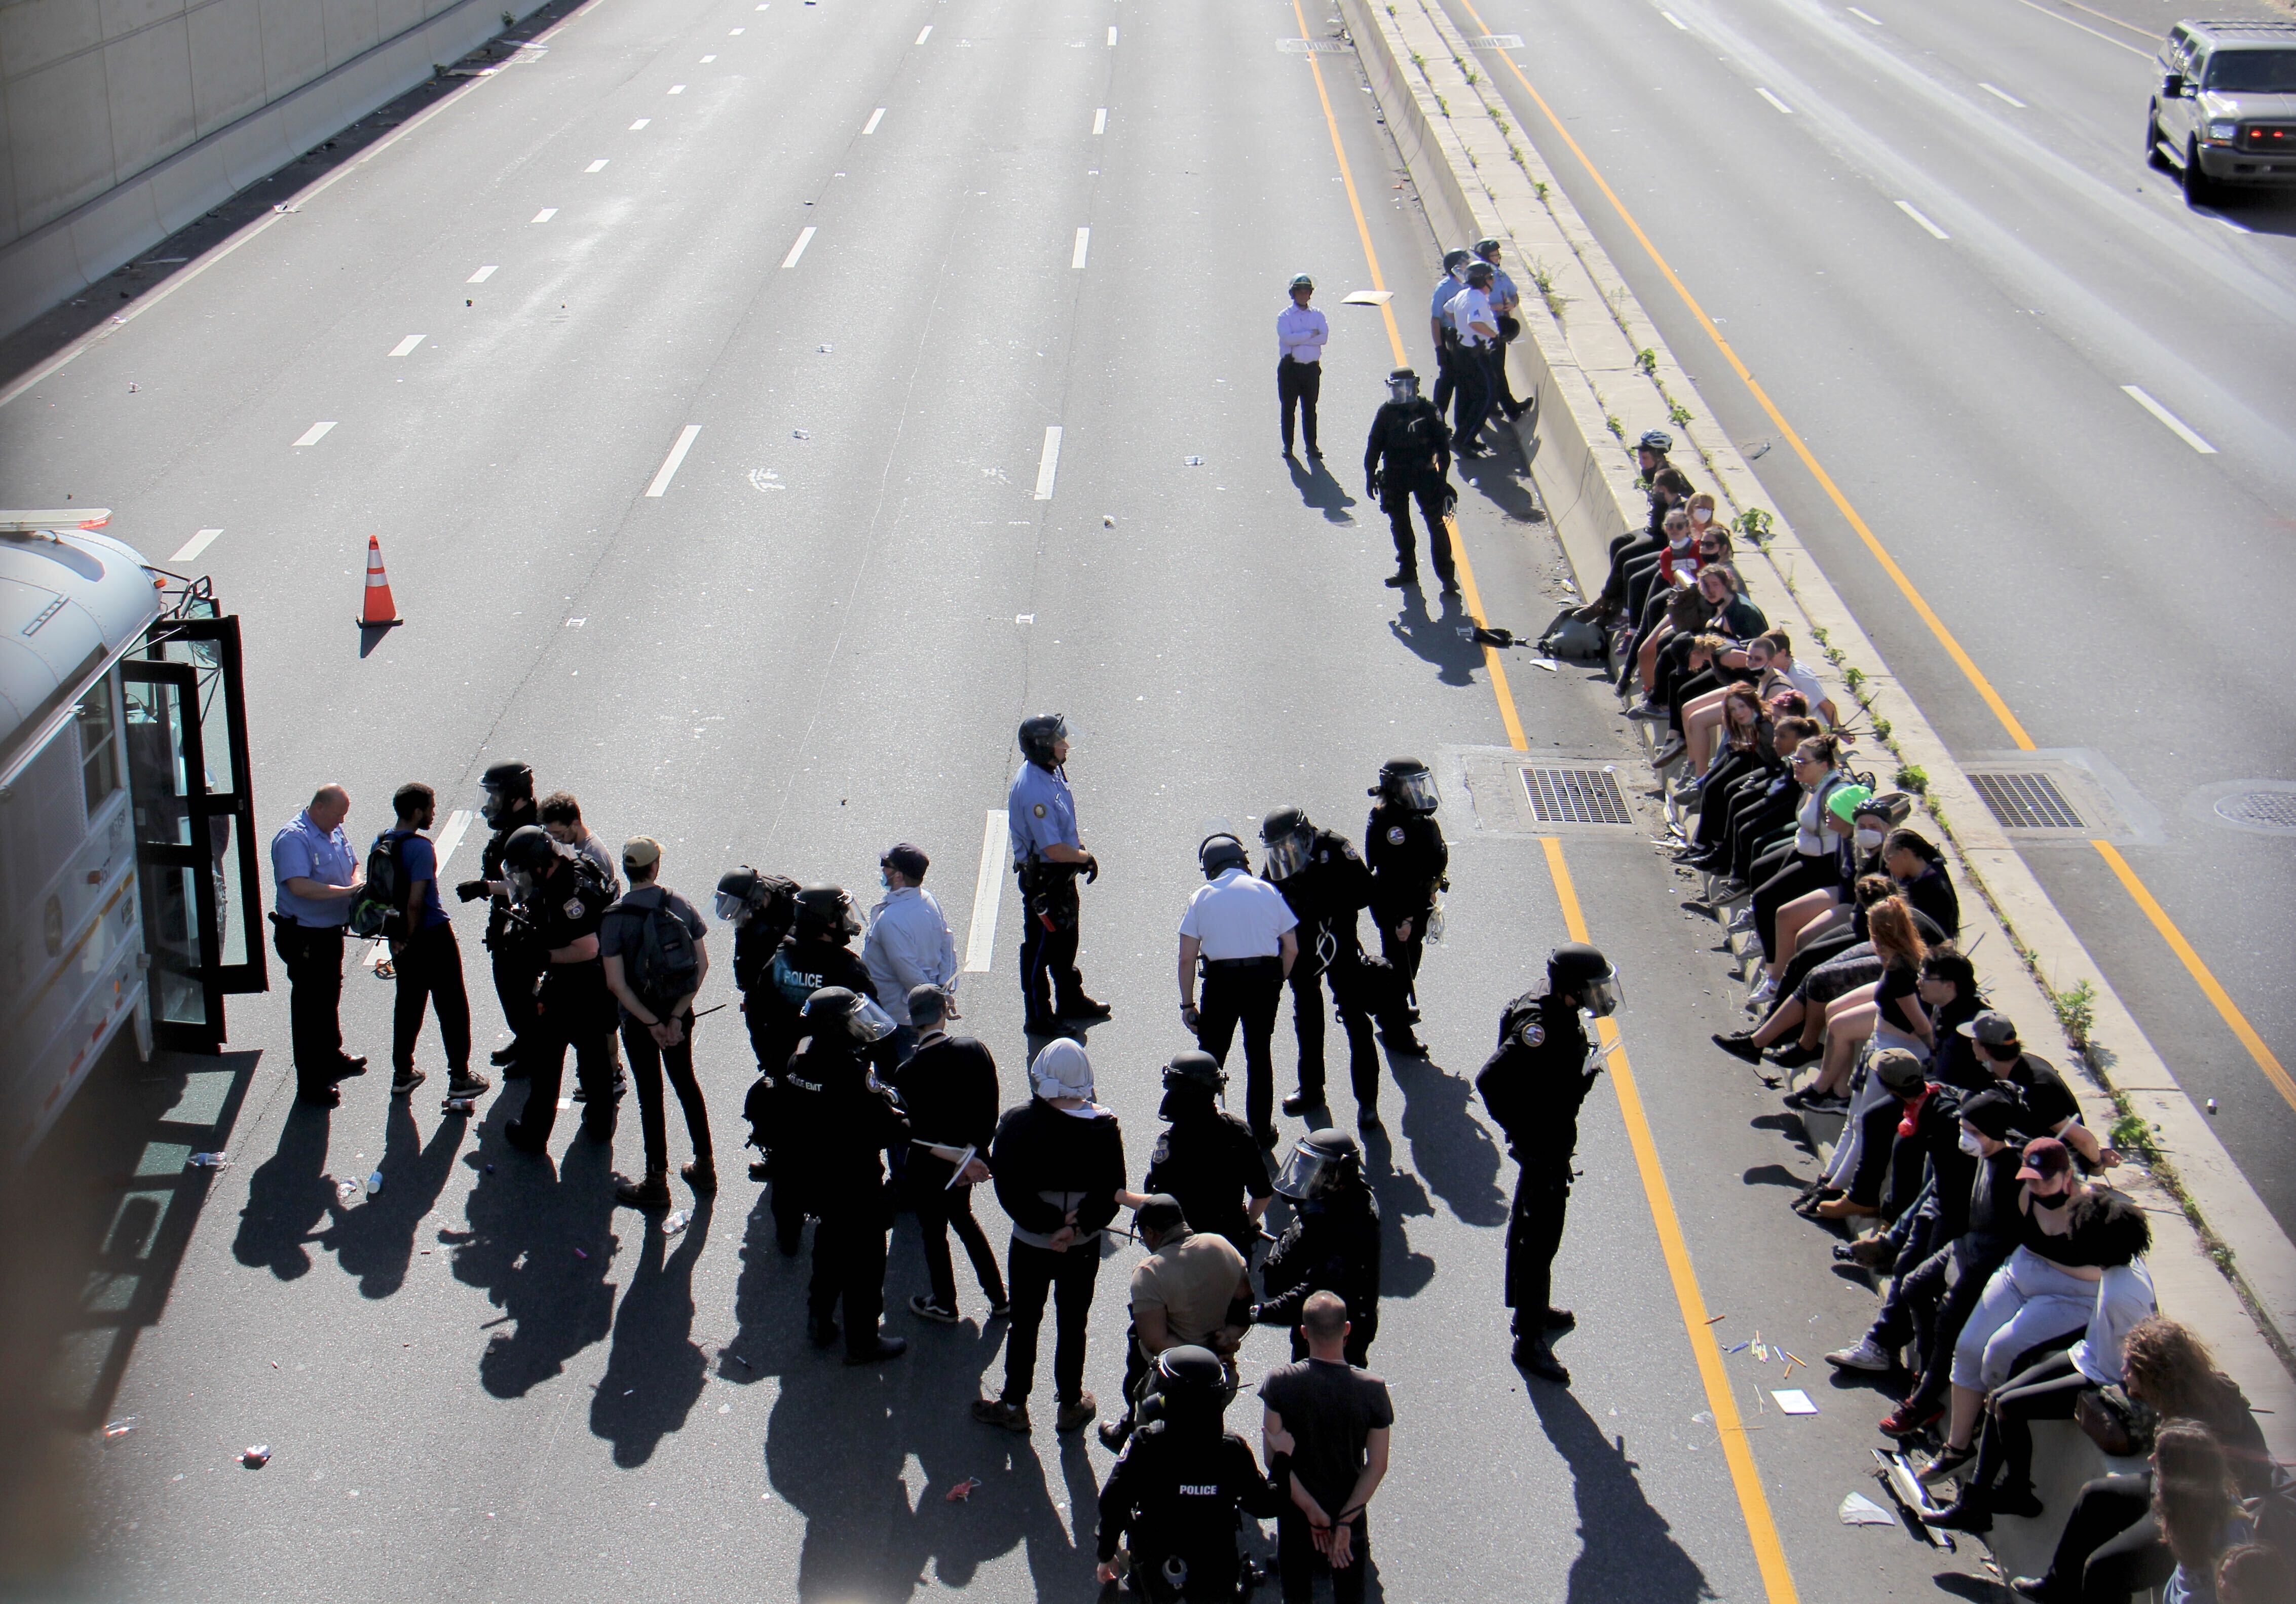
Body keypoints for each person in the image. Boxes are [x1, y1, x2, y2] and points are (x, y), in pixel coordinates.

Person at [1925, 1189, 2156, 1533]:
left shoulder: (2124, 1294)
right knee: (1999, 1396)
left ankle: (2017, 1492)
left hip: (2101, 1377)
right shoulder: (2120, 1267)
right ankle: (1976, 1500)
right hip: (2087, 1356)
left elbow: (2139, 1354)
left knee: (2009, 1406)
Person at [2009, 1317, 2274, 1602]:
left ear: (2153, 1374)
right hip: (2181, 1489)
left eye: (2131, 1367)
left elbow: (2202, 1497)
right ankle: (2059, 1586)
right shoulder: (2179, 1397)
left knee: (2104, 1570)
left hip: (2203, 1517)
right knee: (2095, 1497)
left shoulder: (2198, 1425)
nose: (2123, 1371)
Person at [1477, 943, 1624, 1383]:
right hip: (1542, 1147)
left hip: (1551, 1141)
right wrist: (1522, 1132)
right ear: (1569, 990)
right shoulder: (1538, 1027)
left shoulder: (1556, 1007)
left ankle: (1532, 1307)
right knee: (1539, 1243)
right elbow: (1490, 1081)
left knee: (1532, 1234)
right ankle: (1528, 1338)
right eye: (1590, 988)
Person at [974, 1039, 1131, 1435]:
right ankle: (1070, 1402)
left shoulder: (1016, 1123)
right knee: (1073, 1321)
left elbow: (1009, 1189)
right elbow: (1112, 1189)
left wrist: (1049, 1226)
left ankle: (1013, 1403)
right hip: (1081, 1245)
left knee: (1025, 1321)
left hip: (1029, 1242)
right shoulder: (1104, 1126)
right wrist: (1074, 1229)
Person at [780, 986, 910, 1364]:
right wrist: (902, 1120)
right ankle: (864, 1340)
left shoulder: (800, 1059)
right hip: (855, 1181)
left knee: (828, 1251)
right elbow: (884, 1127)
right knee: (867, 1264)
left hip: (816, 1177)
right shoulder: (850, 1073)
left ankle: (819, 1320)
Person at [1096, 1346, 1282, 1600]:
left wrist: (1106, 1555)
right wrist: (1283, 1459)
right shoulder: (1231, 1449)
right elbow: (1265, 1504)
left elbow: (1113, 1503)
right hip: (1216, 1573)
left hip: (1155, 1570)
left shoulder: (1146, 1445)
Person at [755, 885, 877, 1249]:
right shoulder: (847, 968)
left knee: (789, 1164)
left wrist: (775, 1065)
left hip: (789, 1081)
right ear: (825, 922)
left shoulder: (778, 963)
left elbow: (757, 1017)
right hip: (838, 1085)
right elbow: (872, 1027)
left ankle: (788, 1236)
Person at [599, 836, 714, 1209]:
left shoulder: (614, 918)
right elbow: (702, 965)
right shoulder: (678, 903)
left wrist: (650, 1023)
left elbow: (615, 983)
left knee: (651, 1095)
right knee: (686, 1084)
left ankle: (655, 1181)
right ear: (655, 868)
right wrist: (676, 1017)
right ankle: (705, 1166)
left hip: (638, 1021)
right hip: (678, 1014)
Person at [1259, 1291, 1394, 1604]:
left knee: (1296, 1596)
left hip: (1295, 1515)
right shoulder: (1372, 1389)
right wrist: (1344, 1520)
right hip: (1349, 1510)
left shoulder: (1280, 1382)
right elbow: (1378, 1464)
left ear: (1304, 1332)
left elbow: (1272, 1458)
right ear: (1347, 1330)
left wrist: (1310, 1509)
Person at [1260, 808, 1388, 1130]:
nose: (1285, 855)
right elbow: (1265, 897)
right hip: (1302, 952)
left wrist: (1327, 901)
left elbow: (1367, 891)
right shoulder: (1277, 859)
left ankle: (1368, 1103)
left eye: (1290, 846)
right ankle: (1312, 1090)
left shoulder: (1334, 847)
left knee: (1356, 1021)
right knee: (1308, 1021)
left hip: (1339, 945)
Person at [499, 824, 618, 1155]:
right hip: (596, 986)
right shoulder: (577, 869)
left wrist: (543, 955)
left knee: (547, 1063)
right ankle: (600, 1123)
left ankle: (534, 1134)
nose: (524, 878)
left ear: (539, 863)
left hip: (573, 986)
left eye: (525, 870)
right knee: (594, 1060)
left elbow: (587, 946)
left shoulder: (567, 894)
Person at [894, 984, 1008, 1325]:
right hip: (967, 1164)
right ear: (944, 1012)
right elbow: (990, 1111)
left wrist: (961, 1159)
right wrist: (973, 1157)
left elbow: (918, 1136)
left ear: (914, 1022)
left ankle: (945, 1303)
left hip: (928, 1168)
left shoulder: (907, 1072)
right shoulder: (974, 1050)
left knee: (933, 1233)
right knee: (966, 1223)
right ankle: (999, 1298)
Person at [1178, 829, 1299, 1148]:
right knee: (1259, 1055)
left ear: (1210, 867)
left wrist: (1187, 1005)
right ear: (1242, 860)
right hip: (1263, 983)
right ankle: (1260, 1132)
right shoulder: (1267, 891)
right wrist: (1279, 980)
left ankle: (1202, 1127)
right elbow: (1292, 947)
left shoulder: (1201, 897)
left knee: (1211, 1057)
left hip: (1221, 984)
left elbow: (1187, 957)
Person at [1102, 1195, 1253, 1452]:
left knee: (1156, 1443)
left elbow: (1155, 1340)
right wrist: (1228, 1336)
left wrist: (1195, 1360)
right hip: (1219, 1375)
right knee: (1207, 1432)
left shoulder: (1150, 1272)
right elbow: (1244, 1306)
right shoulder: (1222, 1245)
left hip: (1172, 1383)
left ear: (1150, 1232)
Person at [377, 783, 485, 1103]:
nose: (434, 814)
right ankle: (460, 1078)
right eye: (431, 808)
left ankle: (403, 1073)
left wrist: (397, 940)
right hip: (432, 936)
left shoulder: (382, 841)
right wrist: (411, 936)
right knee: (452, 1006)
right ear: (416, 812)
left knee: (408, 1005)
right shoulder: (421, 848)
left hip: (399, 938)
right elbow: (415, 901)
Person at [1008, 713, 1109, 1036]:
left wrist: (1076, 850)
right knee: (1041, 951)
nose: (1066, 745)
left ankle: (1070, 1000)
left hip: (1061, 876)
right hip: (1045, 882)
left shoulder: (1050, 772)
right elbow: (1052, 849)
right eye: (1058, 741)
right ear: (1042, 749)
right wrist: (1086, 857)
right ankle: (1039, 1016)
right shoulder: (1035, 790)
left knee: (1066, 943)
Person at [269, 783, 366, 1106]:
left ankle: (332, 1056)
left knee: (329, 995)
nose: (342, 822)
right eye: (339, 815)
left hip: (328, 932)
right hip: (304, 936)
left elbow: (353, 867)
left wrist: (356, 886)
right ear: (319, 808)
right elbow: (299, 886)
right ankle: (310, 1083)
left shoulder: (332, 832)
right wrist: (347, 894)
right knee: (310, 1009)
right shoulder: (294, 839)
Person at [1254, 1129, 1381, 1366]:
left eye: (1311, 1169)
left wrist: (1259, 1313)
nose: (1301, 1177)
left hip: (1336, 1335)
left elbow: (1312, 1291)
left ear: (1339, 1175)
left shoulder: (1349, 1225)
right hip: (1318, 1327)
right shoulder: (1335, 1204)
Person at [1143, 1051, 1273, 1262]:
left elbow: (1158, 1197)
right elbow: (1262, 1193)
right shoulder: (1239, 1132)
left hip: (1183, 1250)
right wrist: (1243, 1224)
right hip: (1230, 1248)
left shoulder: (1171, 1141)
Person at [1952, 1011, 2122, 1171]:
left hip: (2057, 1168)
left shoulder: (2035, 1088)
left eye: (1974, 1039)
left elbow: (2081, 1138)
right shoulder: (2023, 1063)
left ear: (1985, 1049)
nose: (1971, 1043)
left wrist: (2097, 1165)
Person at [457, 761, 543, 1075]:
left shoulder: (530, 830)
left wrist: (484, 887)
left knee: (518, 989)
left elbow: (526, 885)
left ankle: (536, 1050)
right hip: (507, 919)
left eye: (497, 794)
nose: (491, 802)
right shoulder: (513, 825)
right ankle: (525, 1039)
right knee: (510, 990)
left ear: (516, 796)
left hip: (524, 925)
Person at [716, 864, 798, 1178]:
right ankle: (778, 1151)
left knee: (789, 1079)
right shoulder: (750, 921)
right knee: (775, 1075)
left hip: (789, 1009)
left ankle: (792, 1154)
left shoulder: (788, 906)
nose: (737, 916)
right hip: (765, 1009)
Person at [1364, 757, 1447, 1055]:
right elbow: (1395, 877)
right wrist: (1404, 918)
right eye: (1409, 784)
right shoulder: (1391, 825)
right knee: (1399, 966)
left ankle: (1392, 1009)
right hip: (1400, 908)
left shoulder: (1414, 814)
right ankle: (1396, 1030)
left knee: (1409, 960)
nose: (1416, 789)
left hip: (1416, 902)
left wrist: (1432, 890)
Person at [860, 842, 957, 1062]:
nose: (882, 870)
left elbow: (909, 974)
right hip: (922, 1010)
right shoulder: (928, 900)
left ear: (899, 876)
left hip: (898, 1018)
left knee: (898, 1079)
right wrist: (942, 991)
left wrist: (935, 1000)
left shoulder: (891, 920)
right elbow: (947, 944)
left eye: (886, 865)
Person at [1363, 367, 1456, 592]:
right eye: (1397, 389)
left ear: (1415, 388)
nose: (1402, 394)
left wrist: (1442, 482)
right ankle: (1408, 570)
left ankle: (1447, 577)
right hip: (1395, 475)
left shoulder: (1428, 411)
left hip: (1425, 474)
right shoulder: (1386, 413)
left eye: (1405, 389)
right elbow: (1374, 445)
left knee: (1436, 525)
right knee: (1401, 525)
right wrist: (1369, 474)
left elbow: (1444, 450)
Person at [1445, 259, 1501, 456]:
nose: (1493, 281)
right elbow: (1476, 322)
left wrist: (1461, 326)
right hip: (1474, 355)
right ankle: (1464, 439)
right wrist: (1495, 336)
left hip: (1462, 351)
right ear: (1481, 281)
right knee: (1484, 397)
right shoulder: (1477, 299)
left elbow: (1448, 309)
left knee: (1465, 394)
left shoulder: (1464, 294)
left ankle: (1463, 435)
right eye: (1490, 278)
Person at [1473, 237, 1528, 421]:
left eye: (1498, 255)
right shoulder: (1479, 276)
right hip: (1486, 329)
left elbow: (1514, 295)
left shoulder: (1500, 275)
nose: (1498, 258)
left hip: (1500, 327)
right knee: (1495, 371)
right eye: (1494, 255)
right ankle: (1510, 408)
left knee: (1497, 369)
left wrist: (1511, 304)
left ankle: (1494, 403)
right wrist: (1494, 307)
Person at [1276, 273, 1328, 459]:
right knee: (1288, 408)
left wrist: (1300, 339)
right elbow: (1287, 338)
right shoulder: (1285, 316)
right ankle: (1288, 446)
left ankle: (1311, 446)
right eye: (1300, 292)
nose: (1303, 295)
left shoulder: (1318, 315)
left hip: (1311, 369)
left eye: (1306, 292)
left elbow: (1324, 337)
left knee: (1310, 408)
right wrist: (1310, 335)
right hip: (1291, 369)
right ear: (1293, 294)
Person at [1426, 246, 1472, 419]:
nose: (1469, 265)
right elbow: (1436, 319)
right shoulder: (1444, 288)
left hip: (1466, 338)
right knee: (1447, 380)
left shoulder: (1469, 284)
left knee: (1465, 382)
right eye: (1466, 262)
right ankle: (1437, 419)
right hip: (1450, 338)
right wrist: (1440, 348)